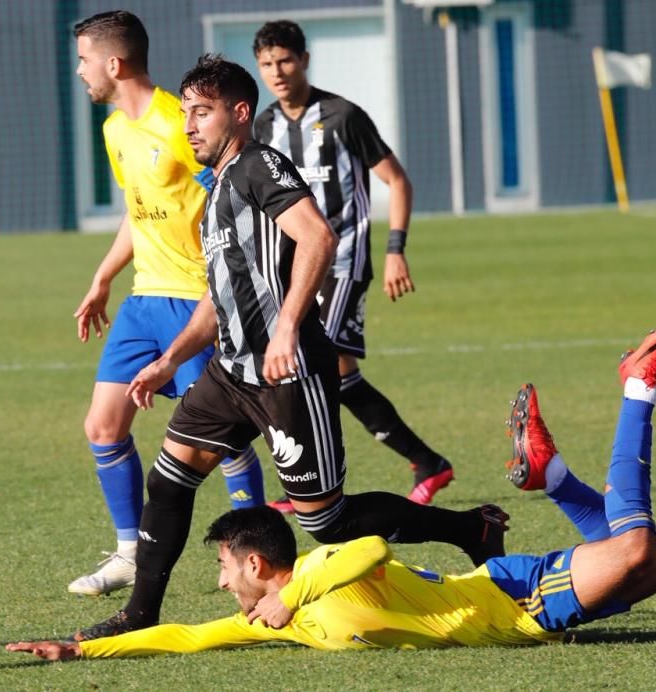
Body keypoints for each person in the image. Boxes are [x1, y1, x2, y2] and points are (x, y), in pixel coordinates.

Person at [66, 54, 509, 642]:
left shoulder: (258, 164)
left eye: (202, 112)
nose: (190, 124)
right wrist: (171, 359)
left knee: (327, 521)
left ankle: (470, 529)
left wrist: (284, 329)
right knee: (169, 479)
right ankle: (139, 615)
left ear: (239, 113)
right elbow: (219, 293)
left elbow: (317, 237)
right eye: (188, 112)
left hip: (289, 371)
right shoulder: (219, 182)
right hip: (231, 372)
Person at [6, 324, 656, 660]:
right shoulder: (274, 613)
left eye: (223, 570)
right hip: (506, 594)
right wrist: (79, 651)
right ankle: (554, 480)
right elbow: (185, 638)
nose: (220, 588)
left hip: (515, 606)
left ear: (257, 565)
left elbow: (365, 547)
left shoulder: (310, 577)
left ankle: (639, 388)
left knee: (638, 550)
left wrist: (292, 592)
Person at [67, 11, 265, 598]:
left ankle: (249, 546)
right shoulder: (113, 132)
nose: (79, 71)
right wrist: (103, 277)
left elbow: (229, 196)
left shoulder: (179, 122)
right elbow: (137, 210)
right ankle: (130, 550)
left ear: (113, 63)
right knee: (102, 426)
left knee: (221, 440)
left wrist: (225, 282)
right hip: (142, 300)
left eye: (83, 60)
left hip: (194, 300)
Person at [252, 21, 453, 510]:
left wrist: (394, 250)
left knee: (308, 363)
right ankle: (426, 462)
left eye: (285, 60)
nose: (277, 72)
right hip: (292, 269)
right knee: (337, 373)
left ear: (304, 59)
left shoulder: (343, 116)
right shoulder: (263, 126)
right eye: (266, 64)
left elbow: (397, 182)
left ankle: (313, 484)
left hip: (343, 261)